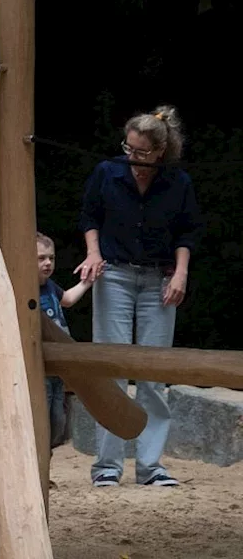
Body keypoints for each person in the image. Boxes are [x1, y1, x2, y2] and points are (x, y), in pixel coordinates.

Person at [75, 105, 202, 488]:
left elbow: (188, 232)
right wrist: (93, 253)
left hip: (159, 278)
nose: (133, 157)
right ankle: (107, 467)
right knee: (111, 368)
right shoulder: (108, 171)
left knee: (153, 374)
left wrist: (180, 275)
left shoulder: (177, 181)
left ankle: (150, 465)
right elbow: (89, 216)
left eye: (141, 152)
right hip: (113, 272)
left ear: (160, 151)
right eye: (128, 148)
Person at [36, 231, 93, 450]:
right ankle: (38, 468)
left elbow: (67, 299)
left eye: (51, 257)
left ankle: (45, 460)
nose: (48, 263)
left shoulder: (50, 286)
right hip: (39, 366)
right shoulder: (23, 289)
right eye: (41, 258)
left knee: (57, 422)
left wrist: (87, 283)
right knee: (41, 421)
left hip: (58, 368)